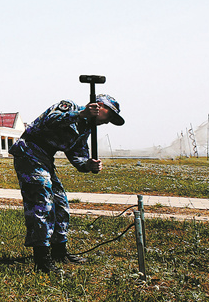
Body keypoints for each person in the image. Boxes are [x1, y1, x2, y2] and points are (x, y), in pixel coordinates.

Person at [11, 95, 125, 273]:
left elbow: (78, 156)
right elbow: (50, 120)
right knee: (42, 203)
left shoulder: (85, 128)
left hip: (46, 159)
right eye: (109, 115)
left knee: (60, 203)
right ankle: (42, 259)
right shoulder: (69, 106)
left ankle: (59, 251)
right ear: (100, 105)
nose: (108, 122)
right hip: (29, 153)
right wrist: (80, 114)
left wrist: (89, 164)